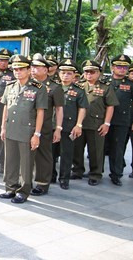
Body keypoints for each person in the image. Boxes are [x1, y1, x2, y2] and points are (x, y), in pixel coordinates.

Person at [0, 55, 46, 204]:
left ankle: (23, 191)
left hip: (27, 131)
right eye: (15, 69)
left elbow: (40, 112)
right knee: (10, 161)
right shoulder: (10, 86)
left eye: (21, 69)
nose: (17, 72)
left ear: (28, 70)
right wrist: (3, 127)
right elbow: (6, 107)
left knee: (26, 163)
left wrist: (37, 134)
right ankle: (10, 187)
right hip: (11, 129)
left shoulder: (39, 88)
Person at [72, 60, 118, 186]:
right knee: (77, 148)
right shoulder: (79, 86)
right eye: (87, 72)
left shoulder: (105, 87)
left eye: (92, 72)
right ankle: (77, 170)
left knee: (96, 150)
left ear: (99, 73)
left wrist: (107, 123)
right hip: (79, 123)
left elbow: (110, 106)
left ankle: (95, 174)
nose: (89, 74)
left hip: (96, 124)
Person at [30, 54, 64, 195]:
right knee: (27, 155)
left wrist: (58, 129)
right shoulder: (28, 84)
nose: (33, 70)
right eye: (32, 67)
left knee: (43, 155)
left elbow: (59, 109)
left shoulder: (55, 88)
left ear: (46, 70)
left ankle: (43, 184)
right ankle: (25, 180)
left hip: (45, 127)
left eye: (37, 67)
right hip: (27, 125)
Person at [107, 55, 133, 186]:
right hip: (103, 120)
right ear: (112, 68)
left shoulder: (131, 85)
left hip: (121, 121)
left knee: (118, 148)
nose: (122, 69)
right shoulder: (106, 82)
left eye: (125, 67)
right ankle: (95, 172)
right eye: (119, 66)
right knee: (101, 148)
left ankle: (116, 174)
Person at [52, 59, 88, 190]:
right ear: (59, 73)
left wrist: (78, 125)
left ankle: (64, 179)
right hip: (52, 125)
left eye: (69, 73)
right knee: (51, 152)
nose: (65, 75)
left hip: (68, 126)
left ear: (74, 75)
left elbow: (82, 108)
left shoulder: (79, 90)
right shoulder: (53, 87)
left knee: (66, 154)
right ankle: (51, 176)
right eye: (63, 72)